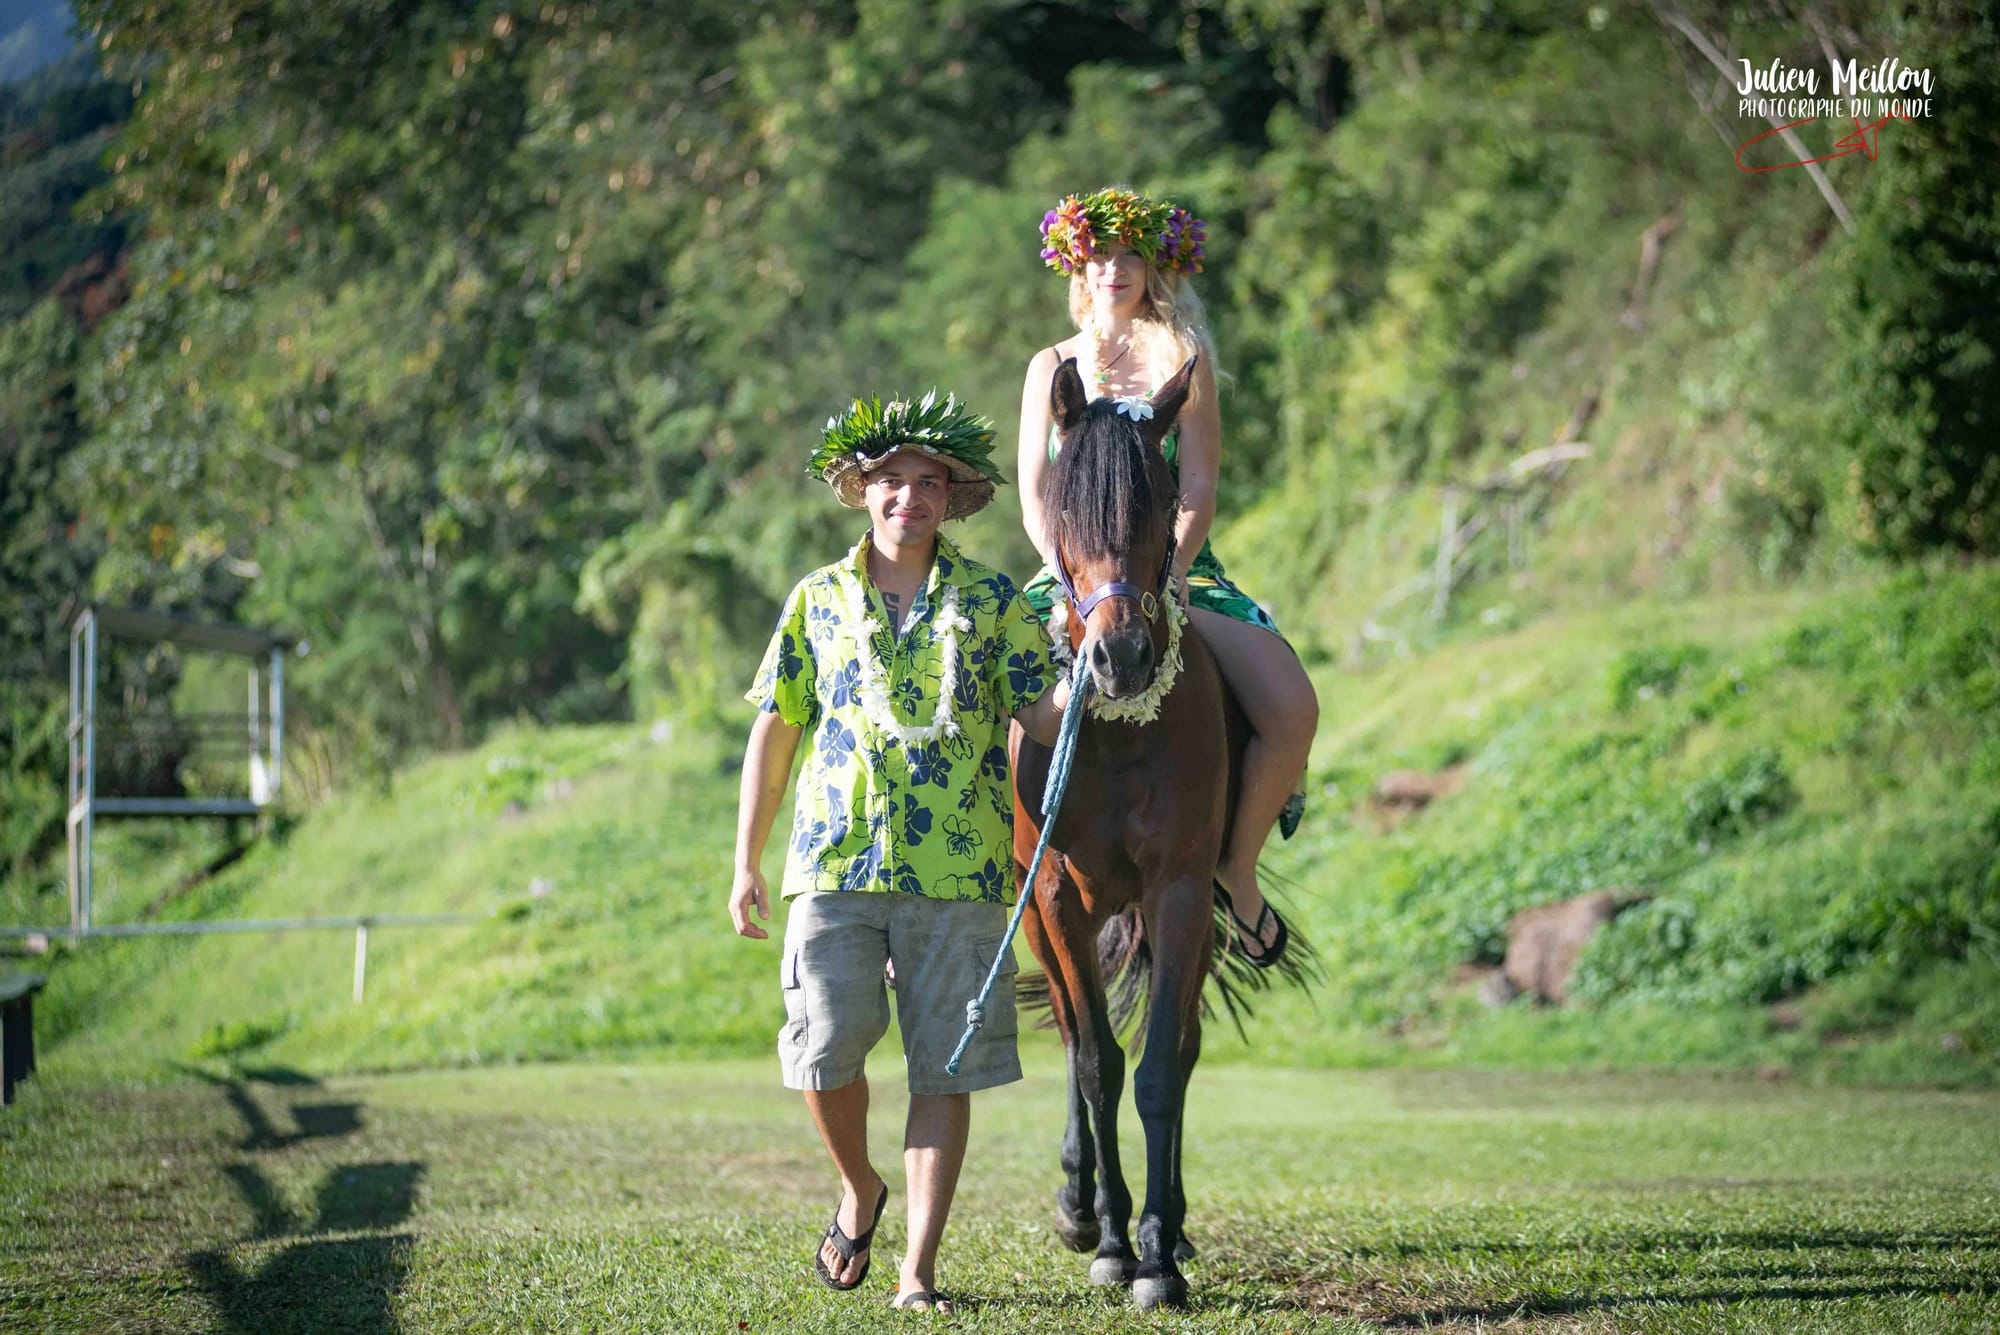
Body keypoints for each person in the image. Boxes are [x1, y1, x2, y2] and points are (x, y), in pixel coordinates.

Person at [730, 391, 1070, 1315]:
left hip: (959, 868)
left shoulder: (994, 600)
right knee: (824, 1046)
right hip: (834, 860)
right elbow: (775, 732)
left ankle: (918, 1268)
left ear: (948, 499)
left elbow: (1039, 714)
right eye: (892, 482)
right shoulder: (817, 600)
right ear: (863, 491)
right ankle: (859, 1187)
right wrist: (745, 861)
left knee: (943, 1066)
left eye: (928, 483)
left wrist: (1083, 672)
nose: (908, 499)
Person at [1017, 186, 1318, 967]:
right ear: (1077, 266)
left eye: (1130, 255)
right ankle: (979, 884)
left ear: (1155, 267)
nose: (1114, 269)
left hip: (1176, 572)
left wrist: (1176, 572)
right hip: (1074, 575)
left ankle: (1236, 871)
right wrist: (1063, 575)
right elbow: (1035, 493)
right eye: (1100, 255)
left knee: (1291, 706)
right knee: (984, 704)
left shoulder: (1185, 359)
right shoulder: (1049, 365)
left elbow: (1199, 488)